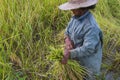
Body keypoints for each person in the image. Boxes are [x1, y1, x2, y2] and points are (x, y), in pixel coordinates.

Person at [58, 0, 103, 80]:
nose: (71, 10)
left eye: (74, 8)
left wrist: (69, 54)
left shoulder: (91, 26)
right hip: (77, 58)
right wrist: (67, 40)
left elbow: (88, 49)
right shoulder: (75, 18)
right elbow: (67, 31)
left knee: (88, 77)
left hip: (88, 64)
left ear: (82, 8)